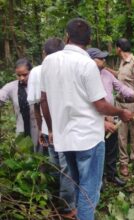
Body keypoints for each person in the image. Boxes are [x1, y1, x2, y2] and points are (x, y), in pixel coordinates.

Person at [40, 18, 134, 220]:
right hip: (88, 140)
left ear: (67, 36)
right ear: (89, 40)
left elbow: (44, 101)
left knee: (77, 185)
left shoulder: (48, 62)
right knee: (89, 191)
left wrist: (51, 129)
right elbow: (99, 104)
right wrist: (121, 113)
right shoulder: (87, 64)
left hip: (64, 139)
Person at [27, 38, 76, 218]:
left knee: (56, 165)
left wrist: (42, 129)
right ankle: (67, 205)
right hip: (64, 128)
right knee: (66, 168)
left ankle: (58, 197)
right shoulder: (68, 68)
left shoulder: (36, 72)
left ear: (44, 53)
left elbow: (36, 105)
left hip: (49, 128)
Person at [87, 47, 134, 187]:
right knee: (97, 151)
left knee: (111, 148)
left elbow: (120, 87)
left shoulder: (106, 74)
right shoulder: (86, 76)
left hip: (110, 116)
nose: (104, 60)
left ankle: (111, 175)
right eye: (101, 58)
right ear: (91, 60)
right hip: (95, 118)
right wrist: (102, 121)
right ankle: (100, 180)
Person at [108, 38, 134, 176]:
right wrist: (106, 70)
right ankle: (124, 163)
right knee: (122, 135)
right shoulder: (122, 62)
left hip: (132, 104)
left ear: (119, 49)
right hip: (120, 103)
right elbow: (121, 77)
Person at [0, 58, 39, 150]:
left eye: (25, 75)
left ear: (31, 72)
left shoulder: (39, 84)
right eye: (18, 75)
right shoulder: (11, 87)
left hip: (39, 130)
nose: (21, 78)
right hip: (21, 131)